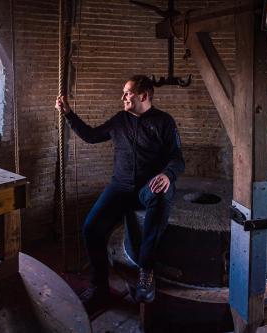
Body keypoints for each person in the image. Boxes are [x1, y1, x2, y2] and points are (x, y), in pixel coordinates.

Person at [55, 75, 185, 310]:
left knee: (162, 193)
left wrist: (167, 175)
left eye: (128, 93)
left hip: (149, 187)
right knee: (91, 228)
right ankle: (100, 289)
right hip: (120, 186)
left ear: (143, 96)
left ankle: (146, 272)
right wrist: (68, 113)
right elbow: (92, 136)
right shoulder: (119, 120)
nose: (123, 97)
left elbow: (177, 159)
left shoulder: (164, 122)